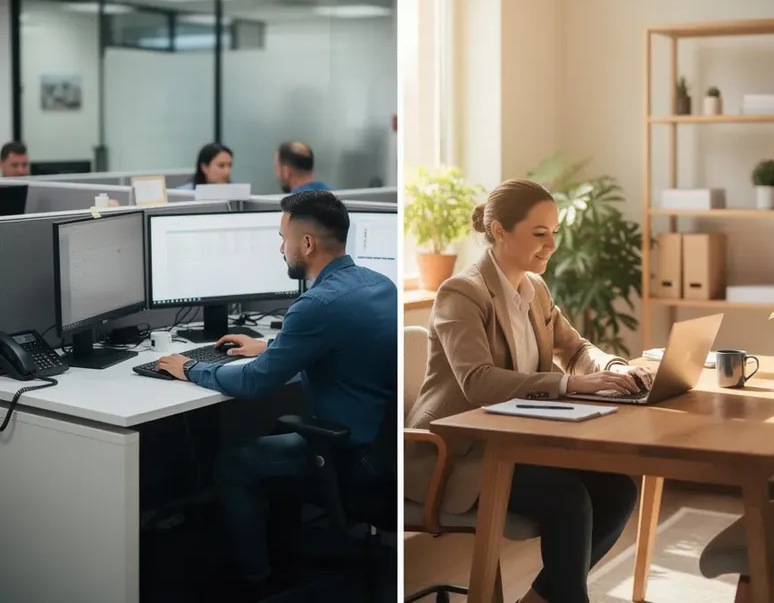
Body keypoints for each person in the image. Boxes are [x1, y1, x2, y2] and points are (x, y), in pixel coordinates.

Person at [405, 179, 649, 603]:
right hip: (459, 455)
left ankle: (543, 598)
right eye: (540, 234)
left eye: (555, 232)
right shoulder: (461, 292)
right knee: (568, 501)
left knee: (619, 489)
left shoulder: (534, 289)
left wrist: (614, 368)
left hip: (514, 443)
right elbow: (477, 380)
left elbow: (574, 349)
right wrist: (569, 384)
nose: (551, 244)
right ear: (499, 231)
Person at [154, 190, 397, 598]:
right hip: (386, 449)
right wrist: (271, 346)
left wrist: (191, 367)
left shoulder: (315, 303)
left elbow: (256, 383)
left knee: (232, 465)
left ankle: (253, 583)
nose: (281, 248)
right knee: (273, 432)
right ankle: (286, 553)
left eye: (283, 238)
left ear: (307, 244)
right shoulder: (379, 285)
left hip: (356, 457)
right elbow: (339, 345)